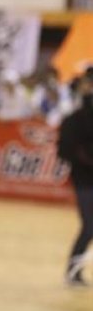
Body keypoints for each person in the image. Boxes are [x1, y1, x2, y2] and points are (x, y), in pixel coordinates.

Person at [58, 70, 93, 286]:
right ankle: (73, 272)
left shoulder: (73, 118)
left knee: (89, 226)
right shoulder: (74, 119)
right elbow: (65, 151)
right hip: (84, 180)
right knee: (89, 225)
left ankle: (74, 272)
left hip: (84, 178)